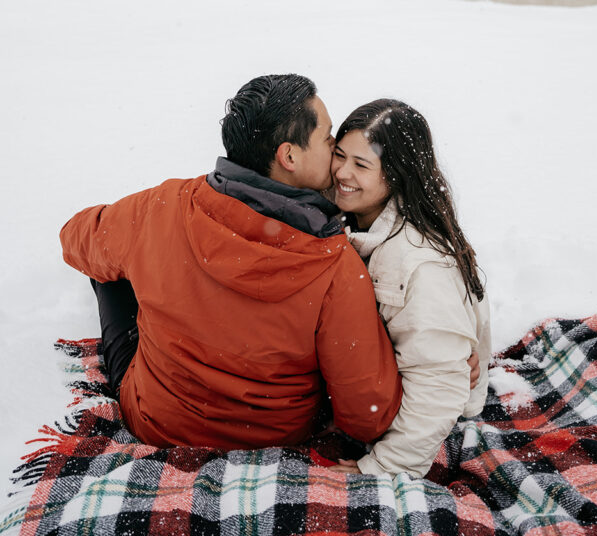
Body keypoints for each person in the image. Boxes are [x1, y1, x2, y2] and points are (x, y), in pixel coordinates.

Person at [60, 74, 402, 451]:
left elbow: (75, 239)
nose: (335, 146)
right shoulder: (336, 267)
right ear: (289, 156)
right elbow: (368, 417)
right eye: (327, 137)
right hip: (272, 438)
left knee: (108, 263)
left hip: (158, 421)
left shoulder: (161, 207)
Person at [328, 99, 491, 479]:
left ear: (397, 175)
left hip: (413, 414)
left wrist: (385, 466)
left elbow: (439, 380)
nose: (341, 172)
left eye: (361, 165)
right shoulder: (345, 214)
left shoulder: (418, 261)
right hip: (374, 386)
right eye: (339, 155)